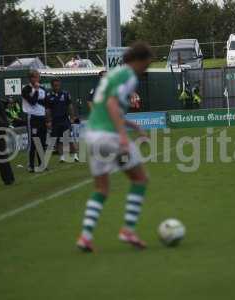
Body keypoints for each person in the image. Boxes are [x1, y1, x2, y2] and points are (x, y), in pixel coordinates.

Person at [76, 42, 153, 252]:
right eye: (146, 65)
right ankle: (128, 230)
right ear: (138, 60)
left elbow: (105, 106)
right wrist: (123, 137)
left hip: (92, 135)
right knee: (140, 179)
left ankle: (85, 236)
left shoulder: (113, 74)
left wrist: (133, 125)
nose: (146, 69)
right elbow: (111, 104)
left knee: (101, 188)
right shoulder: (129, 76)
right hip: (110, 138)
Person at [46, 78, 79, 163]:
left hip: (64, 119)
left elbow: (70, 106)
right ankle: (62, 157)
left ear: (60, 85)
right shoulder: (49, 96)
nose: (56, 87)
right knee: (58, 139)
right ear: (52, 86)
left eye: (58, 85)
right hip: (55, 120)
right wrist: (48, 120)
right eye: (55, 85)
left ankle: (75, 155)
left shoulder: (65, 94)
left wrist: (72, 117)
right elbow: (48, 109)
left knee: (68, 138)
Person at [22, 70, 48, 173]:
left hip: (42, 117)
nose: (37, 79)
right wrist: (36, 90)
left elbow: (45, 102)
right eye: (34, 77)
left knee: (41, 142)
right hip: (32, 118)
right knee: (33, 142)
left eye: (38, 77)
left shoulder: (42, 89)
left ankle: (42, 164)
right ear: (30, 78)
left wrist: (48, 118)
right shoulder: (26, 89)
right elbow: (32, 102)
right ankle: (31, 165)